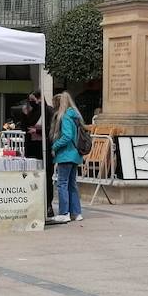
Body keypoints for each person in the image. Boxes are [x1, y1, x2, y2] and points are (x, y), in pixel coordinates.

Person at [19, 91, 56, 219]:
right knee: (32, 177)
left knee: (46, 178)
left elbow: (51, 129)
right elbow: (24, 127)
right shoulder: (31, 112)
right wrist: (24, 115)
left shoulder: (48, 111)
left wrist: (38, 130)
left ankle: (48, 205)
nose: (32, 103)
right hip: (32, 148)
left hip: (45, 148)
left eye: (33, 100)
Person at [50, 92, 86, 224]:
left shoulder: (65, 117)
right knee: (72, 185)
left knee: (62, 184)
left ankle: (64, 212)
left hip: (66, 154)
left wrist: (55, 146)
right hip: (75, 154)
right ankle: (76, 213)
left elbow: (67, 136)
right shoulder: (75, 117)